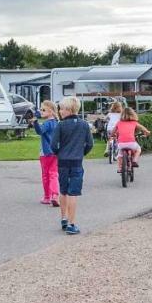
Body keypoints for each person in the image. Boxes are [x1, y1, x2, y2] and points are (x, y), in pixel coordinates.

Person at [50, 97, 95, 235]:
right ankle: (72, 222)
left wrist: (58, 152)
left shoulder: (60, 125)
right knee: (73, 192)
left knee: (63, 190)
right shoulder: (84, 125)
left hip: (63, 161)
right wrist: (82, 153)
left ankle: (64, 218)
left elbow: (53, 144)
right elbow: (90, 144)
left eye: (62, 109)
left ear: (69, 110)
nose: (60, 111)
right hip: (76, 161)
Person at [32, 100, 60, 206]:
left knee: (46, 175)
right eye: (41, 109)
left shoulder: (47, 123)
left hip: (45, 153)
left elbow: (40, 131)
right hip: (56, 152)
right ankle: (55, 195)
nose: (41, 112)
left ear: (51, 111)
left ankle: (47, 196)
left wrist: (35, 121)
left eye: (43, 110)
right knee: (54, 174)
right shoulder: (56, 123)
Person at [112, 106, 150, 173]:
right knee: (138, 149)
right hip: (131, 143)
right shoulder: (134, 123)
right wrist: (147, 132)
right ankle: (134, 160)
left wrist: (112, 135)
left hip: (121, 143)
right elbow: (142, 128)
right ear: (133, 114)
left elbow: (113, 131)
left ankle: (120, 168)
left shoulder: (119, 123)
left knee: (119, 155)